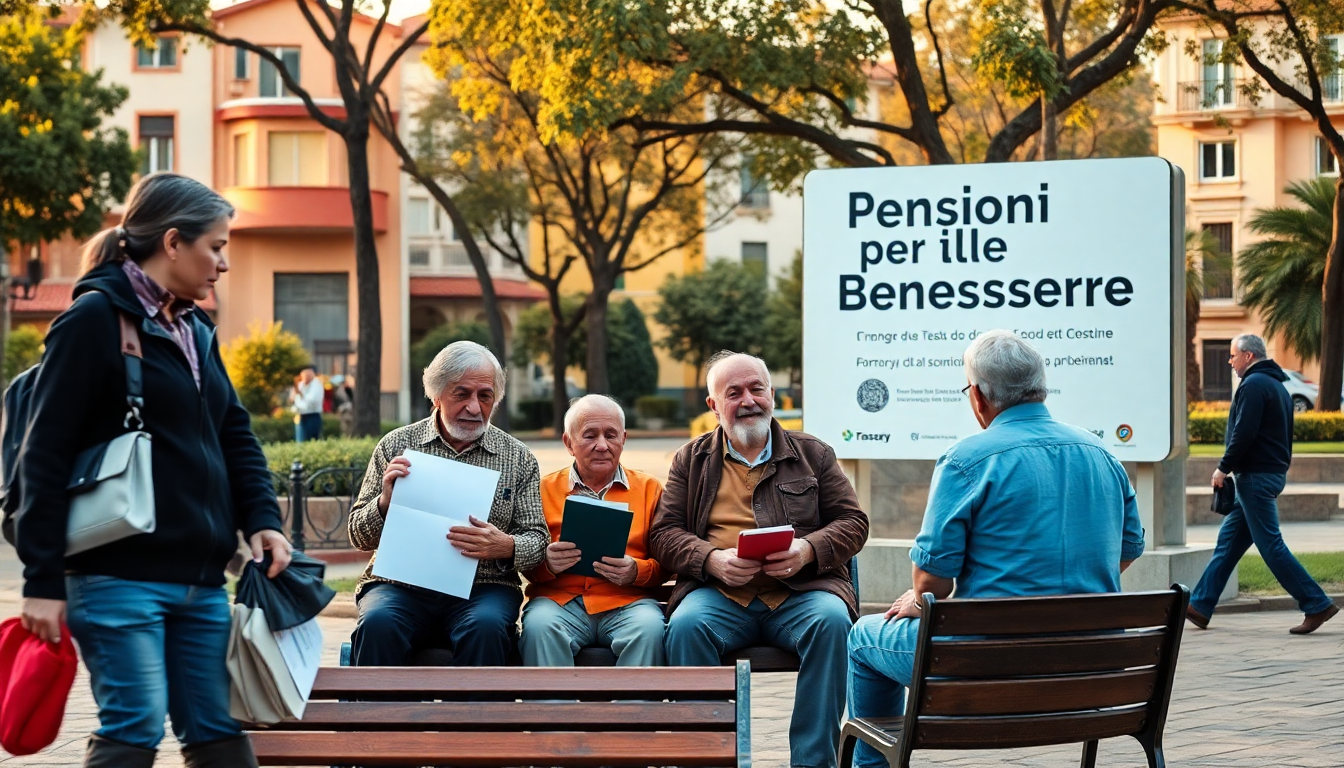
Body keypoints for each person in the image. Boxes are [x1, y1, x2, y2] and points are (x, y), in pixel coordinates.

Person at [16, 173, 294, 768]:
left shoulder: (195, 330)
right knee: (135, 724)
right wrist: (41, 581)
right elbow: (43, 454)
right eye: (215, 247)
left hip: (200, 579)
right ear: (172, 243)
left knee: (217, 730)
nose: (223, 263)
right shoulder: (93, 320)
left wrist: (262, 519)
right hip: (115, 576)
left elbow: (233, 434)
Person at [845, 330, 1145, 768]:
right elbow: (1129, 548)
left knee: (862, 637)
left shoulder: (967, 460)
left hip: (985, 664)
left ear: (980, 397)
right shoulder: (1100, 452)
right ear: (1040, 388)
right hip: (1091, 664)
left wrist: (918, 599)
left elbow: (932, 582)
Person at [650, 351, 868, 768]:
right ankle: (705, 757)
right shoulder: (689, 460)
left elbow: (853, 522)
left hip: (800, 593)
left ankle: (812, 762)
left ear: (773, 394)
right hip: (718, 596)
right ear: (714, 406)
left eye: (757, 389)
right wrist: (711, 559)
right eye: (734, 393)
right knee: (686, 625)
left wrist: (807, 550)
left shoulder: (814, 454)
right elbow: (664, 534)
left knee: (833, 620)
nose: (749, 400)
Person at [347, 341, 548, 666]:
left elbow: (538, 540)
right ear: (436, 395)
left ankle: (474, 718)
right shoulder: (397, 445)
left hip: (484, 587)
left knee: (485, 628)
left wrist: (506, 545)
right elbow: (358, 536)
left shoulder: (518, 457)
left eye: (485, 396)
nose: (474, 407)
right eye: (461, 393)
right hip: (399, 585)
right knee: (379, 623)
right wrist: (385, 502)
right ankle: (379, 717)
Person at [1188, 334, 1339, 634]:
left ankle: (1316, 603)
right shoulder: (1276, 385)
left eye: (1232, 356)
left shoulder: (1255, 385)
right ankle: (1200, 606)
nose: (1229, 362)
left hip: (1255, 478)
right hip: (1266, 475)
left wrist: (1223, 468)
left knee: (1271, 545)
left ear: (1248, 355)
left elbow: (1244, 433)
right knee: (1228, 544)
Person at [520, 395, 667, 666]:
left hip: (629, 602)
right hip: (559, 602)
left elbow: (667, 564)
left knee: (649, 629)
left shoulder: (650, 489)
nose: (602, 445)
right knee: (540, 627)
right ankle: (551, 709)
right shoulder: (542, 490)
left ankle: (634, 709)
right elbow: (525, 560)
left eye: (611, 435)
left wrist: (637, 571)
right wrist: (546, 564)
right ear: (568, 443)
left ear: (623, 439)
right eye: (590, 436)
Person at [290, 364, 324, 442]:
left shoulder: (316, 385)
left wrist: (300, 394)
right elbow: (293, 398)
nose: (304, 378)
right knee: (300, 440)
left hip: (312, 415)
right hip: (301, 415)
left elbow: (312, 401)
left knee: (311, 440)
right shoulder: (301, 384)